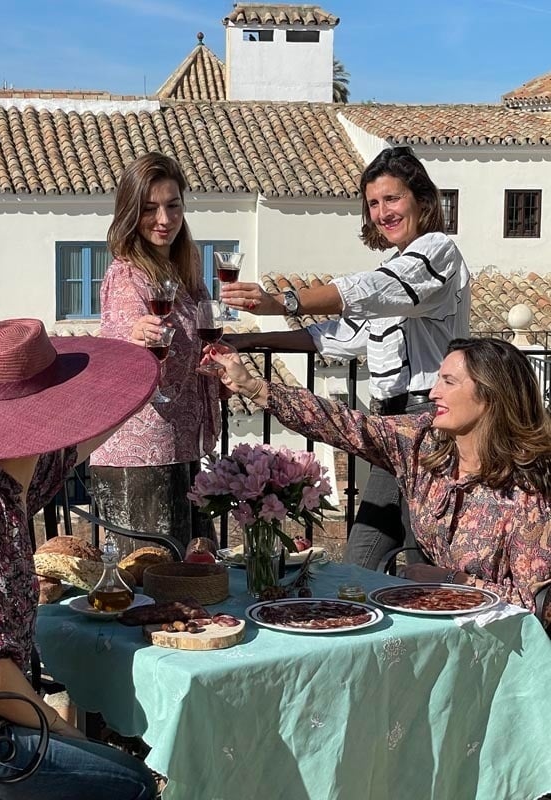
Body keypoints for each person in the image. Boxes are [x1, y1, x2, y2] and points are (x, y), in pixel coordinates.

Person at [220, 146, 470, 570]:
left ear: (422, 201)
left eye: (392, 199)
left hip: (430, 428)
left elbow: (371, 290)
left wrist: (284, 302)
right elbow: (336, 336)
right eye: (373, 203)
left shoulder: (438, 252)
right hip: (387, 431)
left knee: (422, 567)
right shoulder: (396, 269)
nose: (382, 212)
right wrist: (248, 343)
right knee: (360, 563)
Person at [0, 318, 160, 799]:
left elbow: (68, 453)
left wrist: (134, 393)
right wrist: (62, 731)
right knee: (134, 783)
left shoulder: (0, 471)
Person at [202, 337, 551, 621]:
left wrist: (451, 581)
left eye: (448, 381)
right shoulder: (423, 442)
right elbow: (341, 424)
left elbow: (535, 604)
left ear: (490, 394)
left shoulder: (529, 488)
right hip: (443, 625)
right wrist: (250, 385)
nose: (432, 393)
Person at [89, 152, 220, 552]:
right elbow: (117, 341)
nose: (164, 219)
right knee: (153, 584)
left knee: (195, 574)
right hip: (140, 454)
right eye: (150, 209)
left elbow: (197, 338)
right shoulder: (127, 273)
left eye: (173, 206)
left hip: (180, 443)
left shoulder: (187, 272)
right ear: (131, 213)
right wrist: (133, 336)